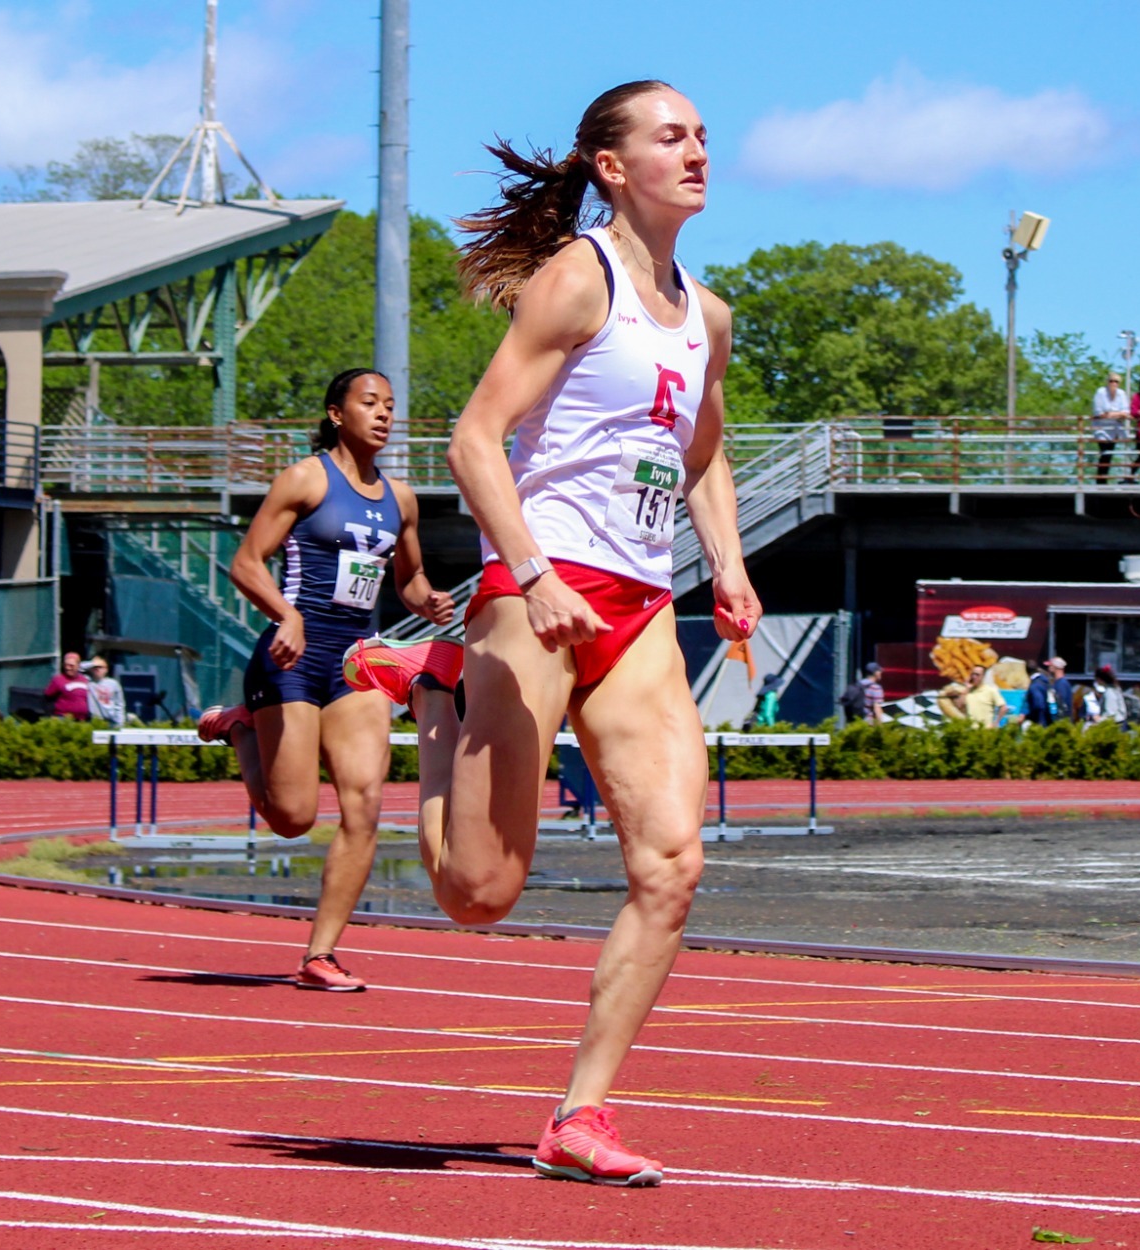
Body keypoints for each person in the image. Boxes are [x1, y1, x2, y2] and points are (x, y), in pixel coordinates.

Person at [408, 80, 761, 1187]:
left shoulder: (706, 315)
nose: (698, 150)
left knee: (672, 861)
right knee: (479, 892)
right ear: (612, 166)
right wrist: (529, 573)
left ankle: (579, 1113)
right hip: (535, 595)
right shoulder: (577, 278)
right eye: (671, 136)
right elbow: (475, 440)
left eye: (703, 133)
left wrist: (731, 571)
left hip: (640, 606)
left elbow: (700, 449)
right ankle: (427, 699)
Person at [198, 367, 458, 991]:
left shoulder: (402, 499)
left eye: (391, 405)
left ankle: (321, 954)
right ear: (337, 414)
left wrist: (428, 602)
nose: (384, 415)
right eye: (370, 403)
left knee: (364, 806)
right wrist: (286, 614)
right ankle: (242, 731)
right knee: (291, 817)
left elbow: (407, 580)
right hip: (291, 658)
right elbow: (245, 562)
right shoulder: (305, 478)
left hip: (356, 663)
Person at [1089, 371, 1127, 485]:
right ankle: (1100, 480)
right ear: (1107, 382)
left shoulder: (1121, 394)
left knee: (1109, 453)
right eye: (1111, 381)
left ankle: (1102, 478)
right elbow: (1099, 412)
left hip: (1115, 428)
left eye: (1116, 382)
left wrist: (1111, 414)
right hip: (1101, 428)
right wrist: (1117, 414)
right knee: (1105, 451)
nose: (1113, 384)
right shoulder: (1100, 392)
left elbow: (1126, 412)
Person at [1025, 656, 1073, 726]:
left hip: (1061, 723)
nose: (1048, 668)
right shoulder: (1056, 683)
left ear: (1055, 667)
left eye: (1050, 666)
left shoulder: (1061, 684)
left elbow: (1061, 705)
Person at [43, 652, 91, 721]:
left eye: (71, 665)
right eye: (66, 665)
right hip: (63, 718)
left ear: (78, 666)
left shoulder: (85, 680)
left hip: (81, 719)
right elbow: (47, 698)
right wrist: (50, 715)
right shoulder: (58, 680)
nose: (67, 668)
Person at [84, 657, 125, 726]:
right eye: (95, 667)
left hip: (111, 721)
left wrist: (120, 722)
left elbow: (119, 704)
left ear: (106, 669)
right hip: (94, 721)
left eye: (100, 667)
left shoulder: (113, 683)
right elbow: (78, 668)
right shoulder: (88, 682)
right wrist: (92, 663)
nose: (97, 669)